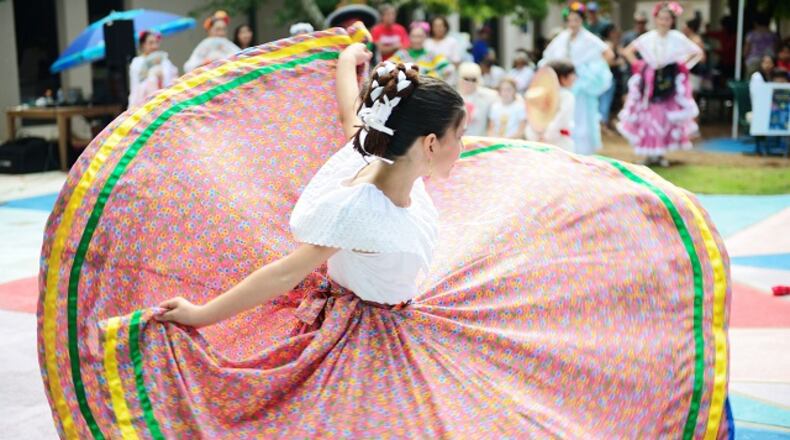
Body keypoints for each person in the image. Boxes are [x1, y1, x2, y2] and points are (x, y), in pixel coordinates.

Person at [38, 27, 733, 437]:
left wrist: (348, 67)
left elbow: (353, 119)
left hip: (417, 304)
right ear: (428, 145)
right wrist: (202, 314)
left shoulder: (373, 152)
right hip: (369, 331)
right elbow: (283, 273)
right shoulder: (357, 206)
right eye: (461, 135)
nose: (468, 144)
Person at [618, 1, 703, 167]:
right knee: (647, 115)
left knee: (663, 116)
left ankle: (660, 153)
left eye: (667, 19)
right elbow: (628, 51)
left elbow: (697, 52)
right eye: (661, 18)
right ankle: (648, 153)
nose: (664, 22)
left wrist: (682, 66)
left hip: (668, 79)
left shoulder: (677, 38)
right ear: (655, 19)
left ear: (672, 21)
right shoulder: (648, 37)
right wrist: (639, 66)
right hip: (649, 81)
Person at [541, 1, 613, 155]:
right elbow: (547, 57)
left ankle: (583, 153)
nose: (573, 24)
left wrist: (592, 70)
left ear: (582, 21)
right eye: (570, 20)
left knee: (582, 118)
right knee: (563, 114)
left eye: (576, 20)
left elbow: (608, 54)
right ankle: (563, 150)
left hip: (581, 85)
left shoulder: (589, 39)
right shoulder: (561, 38)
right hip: (562, 83)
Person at [525, 61, 576, 151]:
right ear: (562, 77)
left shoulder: (541, 93)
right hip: (558, 141)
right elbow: (561, 118)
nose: (575, 78)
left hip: (537, 138)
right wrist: (547, 136)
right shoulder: (566, 96)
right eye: (572, 74)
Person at [389, 21, 454, 82]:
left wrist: (431, 78)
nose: (417, 40)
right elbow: (387, 66)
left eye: (420, 36)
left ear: (426, 37)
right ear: (409, 37)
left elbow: (449, 69)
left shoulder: (432, 55)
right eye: (413, 36)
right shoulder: (401, 54)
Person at [128, 30, 178, 108]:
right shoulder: (137, 63)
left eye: (156, 42)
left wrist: (162, 76)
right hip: (144, 102)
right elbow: (135, 87)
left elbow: (173, 80)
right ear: (143, 44)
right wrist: (152, 77)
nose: (154, 46)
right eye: (151, 43)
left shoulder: (164, 61)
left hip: (164, 100)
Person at [457, 62, 497, 136]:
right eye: (466, 78)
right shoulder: (455, 96)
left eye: (473, 79)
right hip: (459, 140)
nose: (470, 82)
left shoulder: (488, 96)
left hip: (480, 140)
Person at [599, 24, 624, 131]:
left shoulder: (615, 44)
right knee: (605, 102)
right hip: (608, 79)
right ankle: (602, 124)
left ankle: (605, 123)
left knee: (608, 102)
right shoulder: (607, 44)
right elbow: (605, 62)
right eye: (614, 31)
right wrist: (618, 62)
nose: (617, 33)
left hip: (614, 78)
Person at [743, 13, 779, 77]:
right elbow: (776, 49)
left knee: (751, 80)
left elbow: (747, 50)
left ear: (756, 23)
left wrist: (745, 58)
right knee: (768, 81)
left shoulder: (751, 34)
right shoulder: (773, 35)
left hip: (753, 60)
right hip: (769, 60)